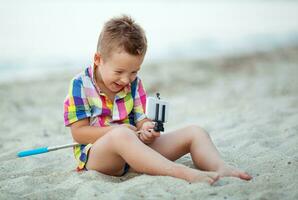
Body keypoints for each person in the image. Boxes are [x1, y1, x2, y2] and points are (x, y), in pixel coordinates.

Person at [63, 15, 252, 185]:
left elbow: (141, 119)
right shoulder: (80, 84)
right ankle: (182, 173)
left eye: (134, 71)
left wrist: (146, 128)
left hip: (137, 154)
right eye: (119, 72)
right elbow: (79, 133)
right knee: (122, 135)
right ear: (98, 59)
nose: (126, 79)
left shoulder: (133, 83)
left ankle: (220, 167)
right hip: (100, 157)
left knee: (196, 132)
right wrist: (117, 130)